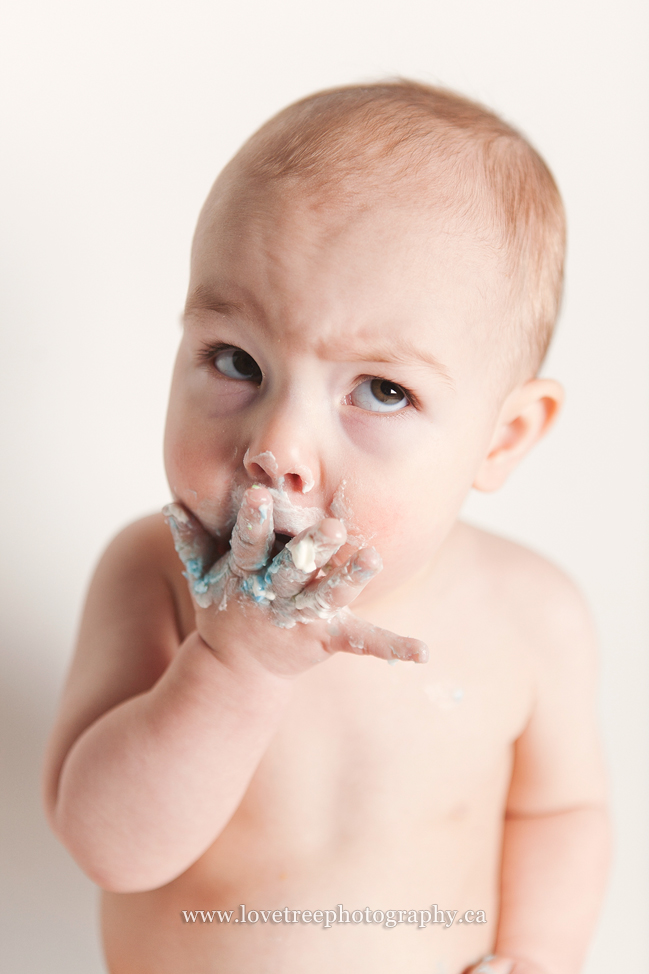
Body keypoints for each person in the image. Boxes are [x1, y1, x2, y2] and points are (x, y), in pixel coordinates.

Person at [43, 80, 610, 974]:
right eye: (237, 361)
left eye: (381, 390)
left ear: (500, 438)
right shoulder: (153, 574)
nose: (276, 449)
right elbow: (106, 847)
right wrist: (232, 667)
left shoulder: (531, 614)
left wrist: (540, 955)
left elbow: (558, 814)